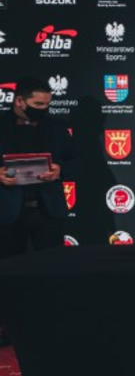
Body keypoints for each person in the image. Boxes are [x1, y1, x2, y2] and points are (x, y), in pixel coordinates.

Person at [0, 78, 76, 258]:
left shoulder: (57, 127)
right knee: (8, 269)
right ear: (19, 101)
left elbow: (78, 160)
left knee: (53, 266)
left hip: (48, 212)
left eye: (47, 104)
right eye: (38, 104)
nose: (44, 109)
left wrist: (60, 170)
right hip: (7, 213)